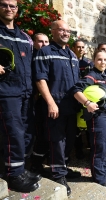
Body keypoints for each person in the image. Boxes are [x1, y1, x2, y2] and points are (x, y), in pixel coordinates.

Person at [33, 20, 81, 196]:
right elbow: (40, 79)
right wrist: (51, 102)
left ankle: (64, 168)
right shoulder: (44, 53)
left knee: (69, 140)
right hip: (56, 107)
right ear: (52, 31)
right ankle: (58, 175)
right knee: (57, 141)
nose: (65, 33)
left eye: (68, 31)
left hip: (71, 107)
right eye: (61, 30)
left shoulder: (72, 55)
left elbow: (76, 84)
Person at [0, 0, 40, 192]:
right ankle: (13, 175)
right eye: (4, 5)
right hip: (6, 92)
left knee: (25, 132)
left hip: (26, 92)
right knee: (13, 133)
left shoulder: (24, 36)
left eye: (13, 6)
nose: (9, 9)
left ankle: (20, 169)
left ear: (17, 10)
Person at [71, 50, 106, 189]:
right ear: (93, 61)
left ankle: (104, 171)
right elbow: (76, 90)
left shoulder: (105, 76)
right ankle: (99, 177)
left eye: (105, 60)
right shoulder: (92, 76)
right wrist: (87, 103)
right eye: (99, 59)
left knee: (104, 145)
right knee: (98, 146)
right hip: (97, 116)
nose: (102, 62)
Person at [30, 33, 51, 177]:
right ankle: (35, 165)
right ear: (33, 43)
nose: (43, 44)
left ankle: (42, 160)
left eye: (46, 41)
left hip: (48, 101)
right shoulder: (30, 59)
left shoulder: (48, 58)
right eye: (40, 41)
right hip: (34, 102)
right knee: (38, 135)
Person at [72, 39, 92, 160]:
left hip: (86, 97)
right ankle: (78, 149)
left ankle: (90, 148)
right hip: (73, 97)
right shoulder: (71, 61)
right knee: (76, 126)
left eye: (82, 47)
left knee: (88, 123)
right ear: (73, 48)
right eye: (78, 47)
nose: (80, 49)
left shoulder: (89, 63)